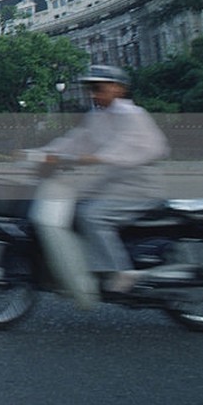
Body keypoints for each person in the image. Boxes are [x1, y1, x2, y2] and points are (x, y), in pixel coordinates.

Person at [34, 65, 168, 295]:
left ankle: (120, 272)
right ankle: (90, 266)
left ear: (118, 89)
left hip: (138, 186)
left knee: (92, 215)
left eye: (98, 88)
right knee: (74, 208)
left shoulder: (132, 115)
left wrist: (96, 158)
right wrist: (42, 153)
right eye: (91, 89)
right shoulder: (97, 116)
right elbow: (75, 140)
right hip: (112, 184)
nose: (93, 94)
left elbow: (133, 147)